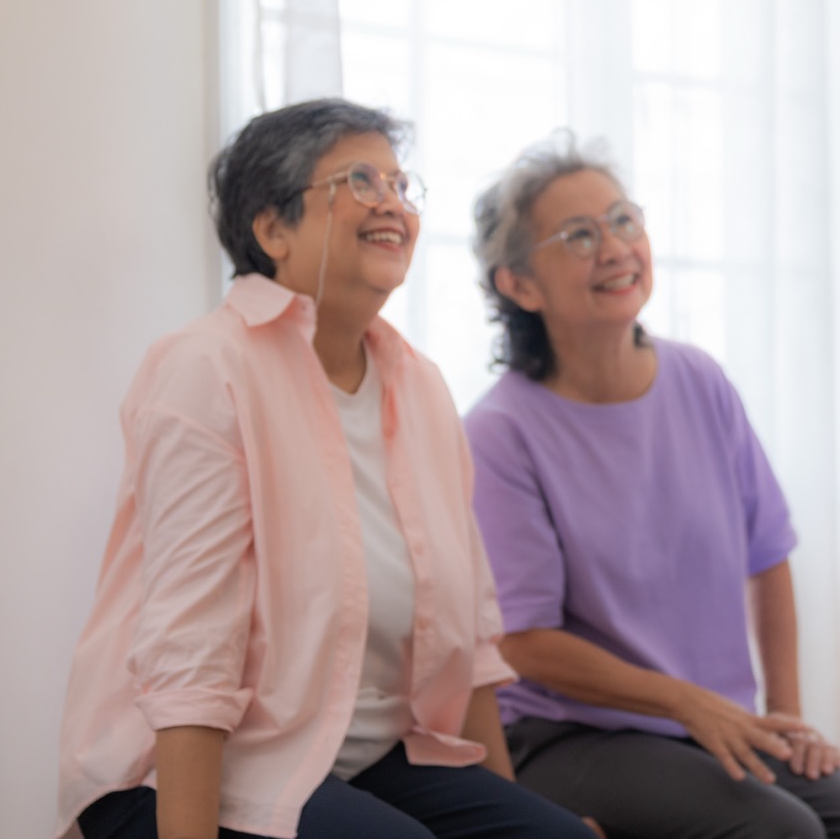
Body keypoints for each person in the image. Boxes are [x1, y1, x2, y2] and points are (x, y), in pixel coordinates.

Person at [55, 100, 592, 839]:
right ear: (271, 230)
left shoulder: (422, 385)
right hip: (185, 770)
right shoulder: (207, 368)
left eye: (402, 187)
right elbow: (190, 654)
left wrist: (514, 812)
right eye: (360, 181)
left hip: (360, 758)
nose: (392, 205)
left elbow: (472, 641)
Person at [462, 134, 840, 839]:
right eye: (578, 235)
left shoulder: (699, 380)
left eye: (623, 220)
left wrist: (784, 715)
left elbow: (768, 554)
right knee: (783, 834)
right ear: (517, 284)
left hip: (714, 723)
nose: (614, 247)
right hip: (569, 735)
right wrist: (685, 702)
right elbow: (523, 640)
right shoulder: (499, 433)